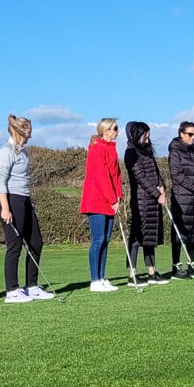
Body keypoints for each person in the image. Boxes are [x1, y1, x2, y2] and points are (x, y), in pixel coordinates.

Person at [0, 115, 55, 303]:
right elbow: (0, 182)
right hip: (9, 200)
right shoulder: (6, 151)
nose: (30, 132)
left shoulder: (24, 152)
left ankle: (32, 287)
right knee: (15, 244)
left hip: (24, 200)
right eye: (28, 128)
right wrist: (5, 208)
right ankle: (12, 291)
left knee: (36, 242)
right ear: (18, 130)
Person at [80, 118, 123, 292]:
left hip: (109, 200)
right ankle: (94, 280)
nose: (117, 131)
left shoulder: (112, 149)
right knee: (98, 240)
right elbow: (101, 177)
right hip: (96, 199)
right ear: (105, 130)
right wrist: (112, 199)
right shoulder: (97, 148)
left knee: (106, 240)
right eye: (114, 128)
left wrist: (118, 196)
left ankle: (102, 277)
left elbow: (116, 175)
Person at [124, 121, 169, 286]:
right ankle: (132, 274)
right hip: (141, 200)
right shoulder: (130, 153)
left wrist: (162, 186)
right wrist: (157, 194)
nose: (148, 140)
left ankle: (152, 271)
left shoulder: (147, 151)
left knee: (150, 236)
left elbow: (156, 172)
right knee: (137, 236)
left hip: (153, 199)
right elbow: (140, 177)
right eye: (145, 136)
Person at [168, 121, 194, 279]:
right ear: (181, 134)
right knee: (180, 232)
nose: (193, 137)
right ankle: (176, 266)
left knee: (193, 230)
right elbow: (177, 175)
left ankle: (192, 264)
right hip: (181, 197)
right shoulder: (175, 152)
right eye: (190, 134)